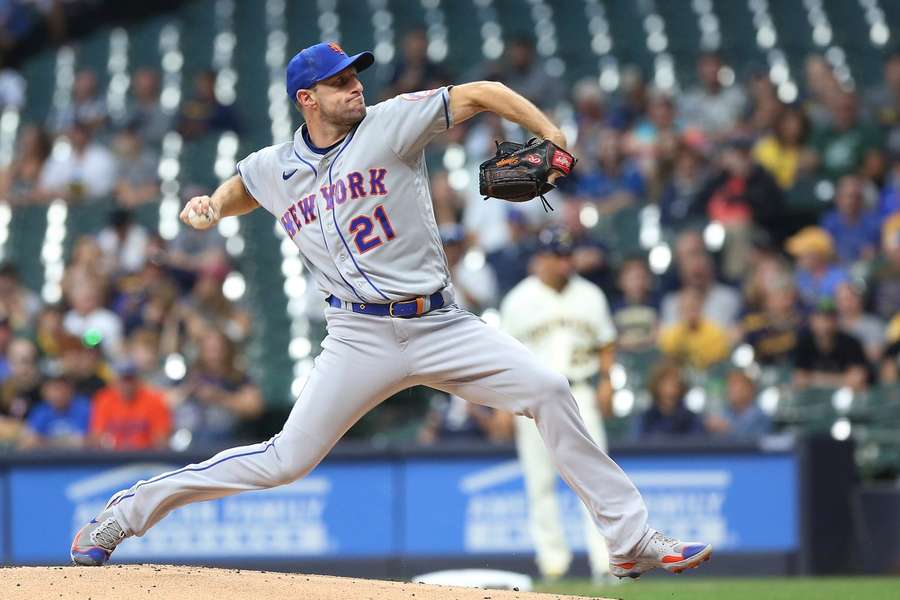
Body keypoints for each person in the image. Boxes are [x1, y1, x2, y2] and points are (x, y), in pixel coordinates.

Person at [72, 41, 711, 578]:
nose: (355, 88)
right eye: (340, 82)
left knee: (547, 389)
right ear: (307, 99)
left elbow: (483, 90)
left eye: (355, 77)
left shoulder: (390, 122)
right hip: (356, 338)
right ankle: (124, 516)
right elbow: (243, 187)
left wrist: (552, 134)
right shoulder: (276, 167)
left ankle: (628, 540)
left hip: (439, 323)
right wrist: (211, 203)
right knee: (284, 461)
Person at [500, 226, 616, 582]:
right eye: (556, 255)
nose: (564, 262)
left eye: (567, 254)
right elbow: (503, 357)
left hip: (579, 390)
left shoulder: (591, 295)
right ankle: (553, 565)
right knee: (541, 483)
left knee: (595, 478)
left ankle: (606, 563)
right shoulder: (518, 300)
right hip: (531, 398)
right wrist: (503, 405)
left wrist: (608, 382)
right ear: (540, 259)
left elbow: (606, 343)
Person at [89, 360, 171, 450]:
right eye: (122, 380)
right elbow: (97, 437)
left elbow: (161, 441)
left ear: (137, 380)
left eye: (130, 380)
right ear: (115, 380)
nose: (126, 385)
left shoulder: (154, 401)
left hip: (145, 458)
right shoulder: (104, 399)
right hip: (112, 458)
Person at [793, 299, 869, 392]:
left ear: (836, 321)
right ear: (811, 321)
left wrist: (812, 378)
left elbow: (858, 379)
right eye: (819, 318)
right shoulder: (804, 343)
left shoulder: (851, 343)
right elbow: (799, 379)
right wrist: (842, 380)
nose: (824, 324)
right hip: (813, 398)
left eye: (829, 318)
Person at [658, 286, 730, 370]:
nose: (690, 313)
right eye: (686, 309)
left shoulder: (715, 333)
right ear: (680, 310)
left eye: (693, 308)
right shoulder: (670, 334)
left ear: (701, 307)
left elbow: (716, 362)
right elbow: (668, 357)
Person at [20, 370, 91, 449]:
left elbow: (83, 441)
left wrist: (45, 441)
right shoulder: (41, 411)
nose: (59, 394)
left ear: (71, 390)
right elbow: (29, 441)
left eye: (62, 388)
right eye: (54, 389)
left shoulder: (83, 408)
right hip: (47, 460)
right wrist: (64, 442)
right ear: (45, 392)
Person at [634, 361, 704, 438]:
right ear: (656, 386)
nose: (670, 390)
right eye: (665, 384)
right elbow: (637, 443)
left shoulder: (691, 420)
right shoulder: (645, 419)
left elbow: (696, 443)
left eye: (674, 384)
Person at [820, 175, 880, 264]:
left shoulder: (873, 222)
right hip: (837, 269)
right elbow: (825, 250)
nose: (851, 201)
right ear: (838, 198)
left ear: (862, 200)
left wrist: (873, 252)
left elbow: (879, 251)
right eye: (848, 196)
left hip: (865, 269)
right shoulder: (829, 221)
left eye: (856, 197)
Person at [705, 370, 771, 438]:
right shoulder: (724, 413)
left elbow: (756, 442)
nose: (732, 390)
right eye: (730, 385)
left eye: (736, 385)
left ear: (749, 389)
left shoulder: (760, 417)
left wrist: (728, 430)